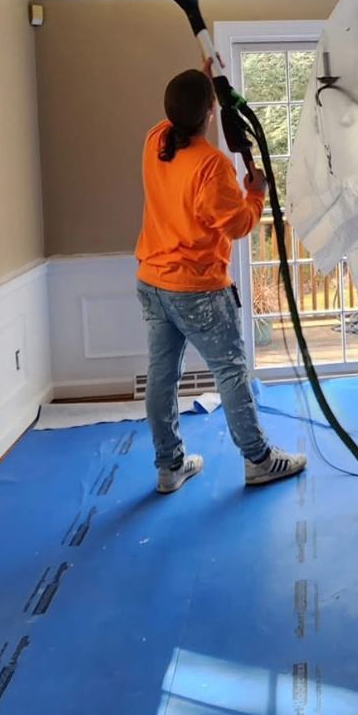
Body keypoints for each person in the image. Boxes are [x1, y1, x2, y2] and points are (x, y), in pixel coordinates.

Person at [135, 67, 307, 494]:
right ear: (210, 113)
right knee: (230, 373)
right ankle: (259, 460)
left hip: (152, 283)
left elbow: (184, 109)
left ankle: (168, 467)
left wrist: (209, 81)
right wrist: (256, 192)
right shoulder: (210, 165)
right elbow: (236, 225)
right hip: (198, 290)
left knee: (161, 378)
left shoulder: (157, 139)